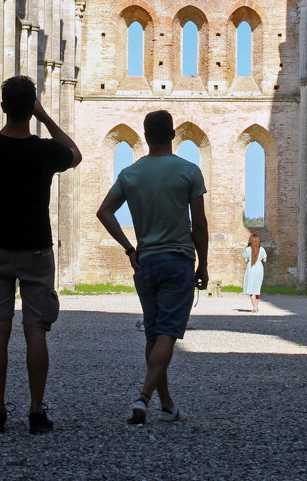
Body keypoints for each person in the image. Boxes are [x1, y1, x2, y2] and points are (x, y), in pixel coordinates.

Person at [0, 76, 82, 435]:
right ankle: (36, 412)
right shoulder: (45, 151)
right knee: (36, 331)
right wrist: (46, 118)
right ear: (31, 107)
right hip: (35, 247)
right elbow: (75, 154)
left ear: (3, 106)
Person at [96, 110, 209, 425]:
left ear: (145, 137)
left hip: (145, 262)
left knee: (153, 333)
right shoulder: (188, 171)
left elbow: (104, 212)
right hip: (177, 261)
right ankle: (143, 398)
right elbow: (199, 224)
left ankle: (168, 405)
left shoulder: (130, 174)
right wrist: (204, 264)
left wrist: (128, 248)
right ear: (172, 135)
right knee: (167, 334)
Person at [242, 234, 267, 313]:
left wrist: (248, 259)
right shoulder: (262, 249)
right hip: (259, 268)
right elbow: (265, 260)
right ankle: (256, 306)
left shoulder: (248, 249)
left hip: (251, 268)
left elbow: (245, 260)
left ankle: (254, 307)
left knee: (251, 289)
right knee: (257, 288)